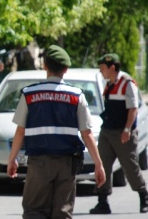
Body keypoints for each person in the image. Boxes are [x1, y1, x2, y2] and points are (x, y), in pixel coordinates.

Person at [7, 45, 105, 219]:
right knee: (62, 213)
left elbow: (20, 131)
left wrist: (12, 159)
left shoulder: (29, 94)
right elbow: (87, 133)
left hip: (38, 164)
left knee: (34, 211)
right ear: (66, 69)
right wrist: (99, 164)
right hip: (66, 165)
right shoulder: (77, 96)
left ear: (45, 66)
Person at [90, 53, 148, 214]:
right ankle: (103, 202)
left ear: (112, 68)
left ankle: (143, 195)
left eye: (102, 68)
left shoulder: (127, 83)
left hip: (123, 134)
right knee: (102, 166)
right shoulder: (108, 83)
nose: (100, 71)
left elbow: (133, 109)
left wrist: (127, 130)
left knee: (130, 167)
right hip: (107, 131)